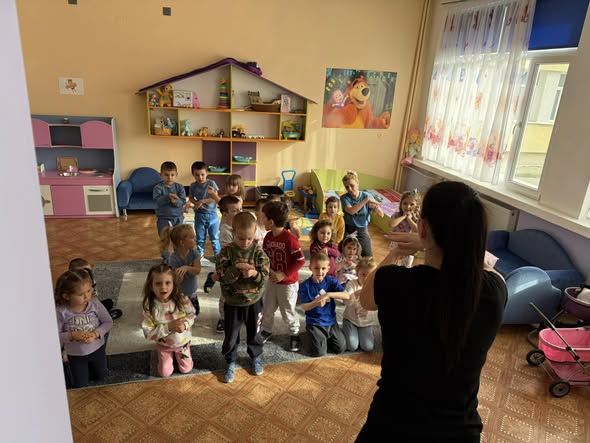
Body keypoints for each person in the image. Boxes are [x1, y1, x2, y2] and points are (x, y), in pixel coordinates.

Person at [355, 181, 507, 442]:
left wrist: (398, 252)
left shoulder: (394, 281)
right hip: (460, 433)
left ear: (423, 228)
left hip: (392, 427)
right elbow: (485, 268)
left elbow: (366, 299)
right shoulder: (494, 291)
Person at [215, 212, 270, 383]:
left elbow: (265, 276)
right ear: (233, 233)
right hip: (232, 302)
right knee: (231, 334)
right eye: (241, 238)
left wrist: (254, 274)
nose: (245, 242)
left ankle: (255, 356)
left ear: (255, 235)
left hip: (254, 302)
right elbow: (221, 275)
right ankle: (230, 360)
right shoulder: (226, 252)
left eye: (249, 238)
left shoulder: (258, 252)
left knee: (255, 332)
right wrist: (236, 269)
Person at [259, 200, 306, 352]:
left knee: (288, 311)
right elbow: (265, 256)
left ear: (271, 222)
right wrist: (268, 270)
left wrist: (283, 274)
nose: (262, 220)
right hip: (272, 281)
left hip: (288, 284)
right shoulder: (268, 237)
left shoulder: (290, 239)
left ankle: (294, 333)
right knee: (268, 308)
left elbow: (300, 260)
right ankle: (266, 330)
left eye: (264, 217)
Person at [55, 269, 113, 388]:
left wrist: (95, 334)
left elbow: (108, 322)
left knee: (101, 377)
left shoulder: (95, 304)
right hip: (76, 355)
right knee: (80, 384)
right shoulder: (61, 311)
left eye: (89, 290)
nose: (87, 296)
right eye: (81, 294)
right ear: (66, 296)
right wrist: (71, 335)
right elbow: (55, 335)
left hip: (98, 349)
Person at [141, 263, 196, 378]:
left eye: (167, 283)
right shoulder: (149, 307)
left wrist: (185, 324)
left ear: (174, 284)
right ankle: (166, 356)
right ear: (151, 286)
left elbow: (192, 314)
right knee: (164, 374)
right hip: (164, 345)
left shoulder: (182, 299)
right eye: (158, 283)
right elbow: (148, 333)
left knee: (186, 369)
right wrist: (168, 327)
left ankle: (182, 355)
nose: (163, 287)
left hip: (183, 343)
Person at [204, 195, 243, 333]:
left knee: (239, 290)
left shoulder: (239, 224)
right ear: (225, 214)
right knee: (226, 293)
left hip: (239, 265)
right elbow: (233, 250)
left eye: (240, 209)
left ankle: (239, 313)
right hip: (227, 267)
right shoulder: (226, 231)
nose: (239, 213)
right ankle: (223, 317)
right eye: (235, 211)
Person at [298, 252, 348, 357]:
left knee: (341, 348)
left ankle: (322, 339)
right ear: (310, 268)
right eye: (316, 268)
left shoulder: (330, 281)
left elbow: (346, 295)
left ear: (328, 268)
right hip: (315, 322)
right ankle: (310, 335)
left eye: (323, 268)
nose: (320, 272)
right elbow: (304, 307)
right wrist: (316, 303)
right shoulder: (305, 286)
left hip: (331, 321)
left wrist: (328, 294)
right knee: (319, 353)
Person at [340, 170, 384, 257]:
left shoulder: (366, 195)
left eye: (352, 185)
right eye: (347, 187)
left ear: (357, 183)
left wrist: (376, 208)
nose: (350, 189)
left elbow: (381, 215)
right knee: (343, 254)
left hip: (362, 230)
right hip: (348, 229)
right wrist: (366, 201)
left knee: (368, 256)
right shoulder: (344, 198)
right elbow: (351, 211)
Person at [162, 224, 202, 315]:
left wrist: (187, 268)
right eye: (192, 237)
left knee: (194, 313)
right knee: (180, 315)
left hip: (192, 292)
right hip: (179, 295)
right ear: (182, 242)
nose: (195, 239)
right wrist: (178, 278)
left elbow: (198, 270)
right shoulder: (173, 259)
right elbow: (172, 280)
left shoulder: (194, 253)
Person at [342, 256, 378, 352]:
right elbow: (346, 301)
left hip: (366, 322)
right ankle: (346, 325)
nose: (366, 278)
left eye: (370, 275)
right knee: (352, 346)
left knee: (368, 347)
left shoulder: (375, 286)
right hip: (351, 319)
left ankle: (362, 333)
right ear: (357, 272)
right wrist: (354, 295)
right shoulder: (352, 284)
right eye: (363, 274)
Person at [153, 161, 187, 262]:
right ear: (161, 175)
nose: (169, 177)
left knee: (178, 239)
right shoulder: (158, 188)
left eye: (172, 175)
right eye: (166, 175)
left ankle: (178, 257)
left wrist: (175, 201)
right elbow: (157, 202)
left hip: (178, 218)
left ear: (176, 175)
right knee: (164, 240)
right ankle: (166, 259)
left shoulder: (179, 187)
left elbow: (182, 202)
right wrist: (167, 197)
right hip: (163, 219)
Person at [189, 161, 221, 259]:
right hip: (199, 215)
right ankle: (200, 254)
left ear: (207, 173)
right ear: (193, 174)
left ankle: (217, 255)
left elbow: (215, 198)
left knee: (214, 237)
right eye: (197, 175)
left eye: (202, 174)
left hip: (212, 215)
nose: (200, 177)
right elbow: (191, 198)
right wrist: (196, 203)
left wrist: (202, 201)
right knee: (200, 237)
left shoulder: (211, 183)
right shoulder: (193, 186)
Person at [389, 189, 421, 267]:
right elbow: (391, 224)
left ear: (416, 206)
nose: (408, 206)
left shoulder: (416, 218)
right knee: (392, 263)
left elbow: (417, 231)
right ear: (401, 204)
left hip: (409, 243)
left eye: (412, 204)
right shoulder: (397, 215)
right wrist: (404, 216)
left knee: (407, 265)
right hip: (396, 242)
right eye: (405, 203)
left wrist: (409, 219)